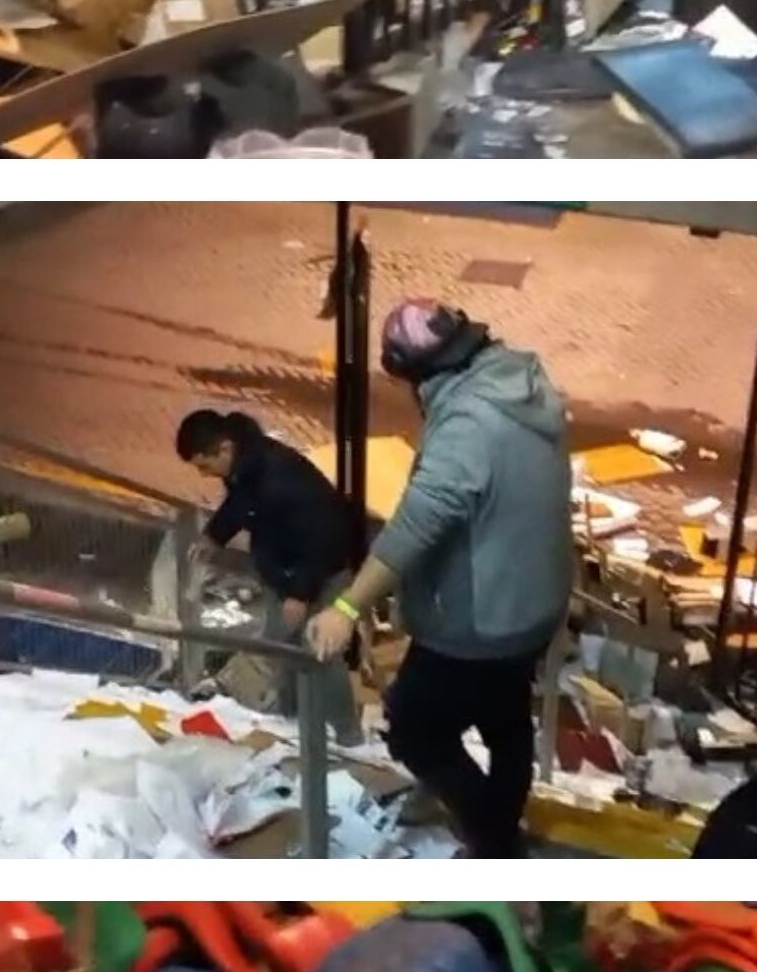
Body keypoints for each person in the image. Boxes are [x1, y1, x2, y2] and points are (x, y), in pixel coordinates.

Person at [303, 301, 573, 859]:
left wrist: (348, 608)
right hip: (533, 604)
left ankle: (498, 847)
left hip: (480, 619)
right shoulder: (518, 386)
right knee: (505, 720)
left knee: (415, 730)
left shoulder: (469, 423)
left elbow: (418, 522)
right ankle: (498, 824)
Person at [177, 407, 358, 737]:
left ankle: (345, 736)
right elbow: (241, 504)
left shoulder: (279, 477)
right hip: (287, 577)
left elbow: (321, 535)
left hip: (316, 576)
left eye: (205, 465)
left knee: (322, 655)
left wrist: (301, 593)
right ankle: (293, 726)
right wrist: (215, 535)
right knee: (284, 651)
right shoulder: (247, 468)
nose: (204, 474)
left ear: (225, 448)